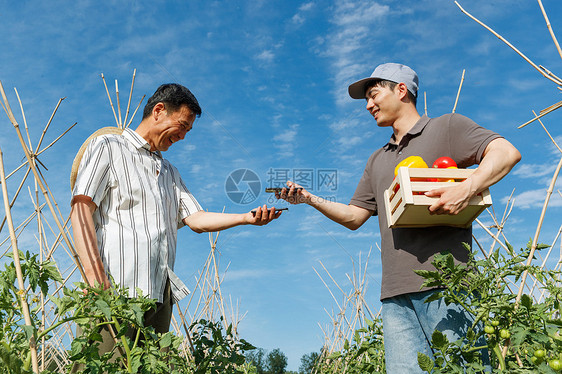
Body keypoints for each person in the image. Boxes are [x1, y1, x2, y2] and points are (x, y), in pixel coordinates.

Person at [276, 63, 521, 372]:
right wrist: (310, 199)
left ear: (402, 90)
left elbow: (506, 152)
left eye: (374, 95)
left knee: (465, 368)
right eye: (367, 100)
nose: (368, 105)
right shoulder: (378, 159)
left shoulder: (446, 127)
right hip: (395, 295)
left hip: (447, 286)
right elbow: (354, 217)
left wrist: (468, 186)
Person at [70, 83, 281, 361]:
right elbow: (81, 207)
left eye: (188, 131)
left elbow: (195, 218)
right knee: (101, 365)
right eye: (181, 126)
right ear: (159, 111)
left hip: (159, 295)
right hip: (115, 291)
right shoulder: (109, 146)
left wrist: (246, 218)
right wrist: (96, 279)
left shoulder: (169, 171)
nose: (182, 136)